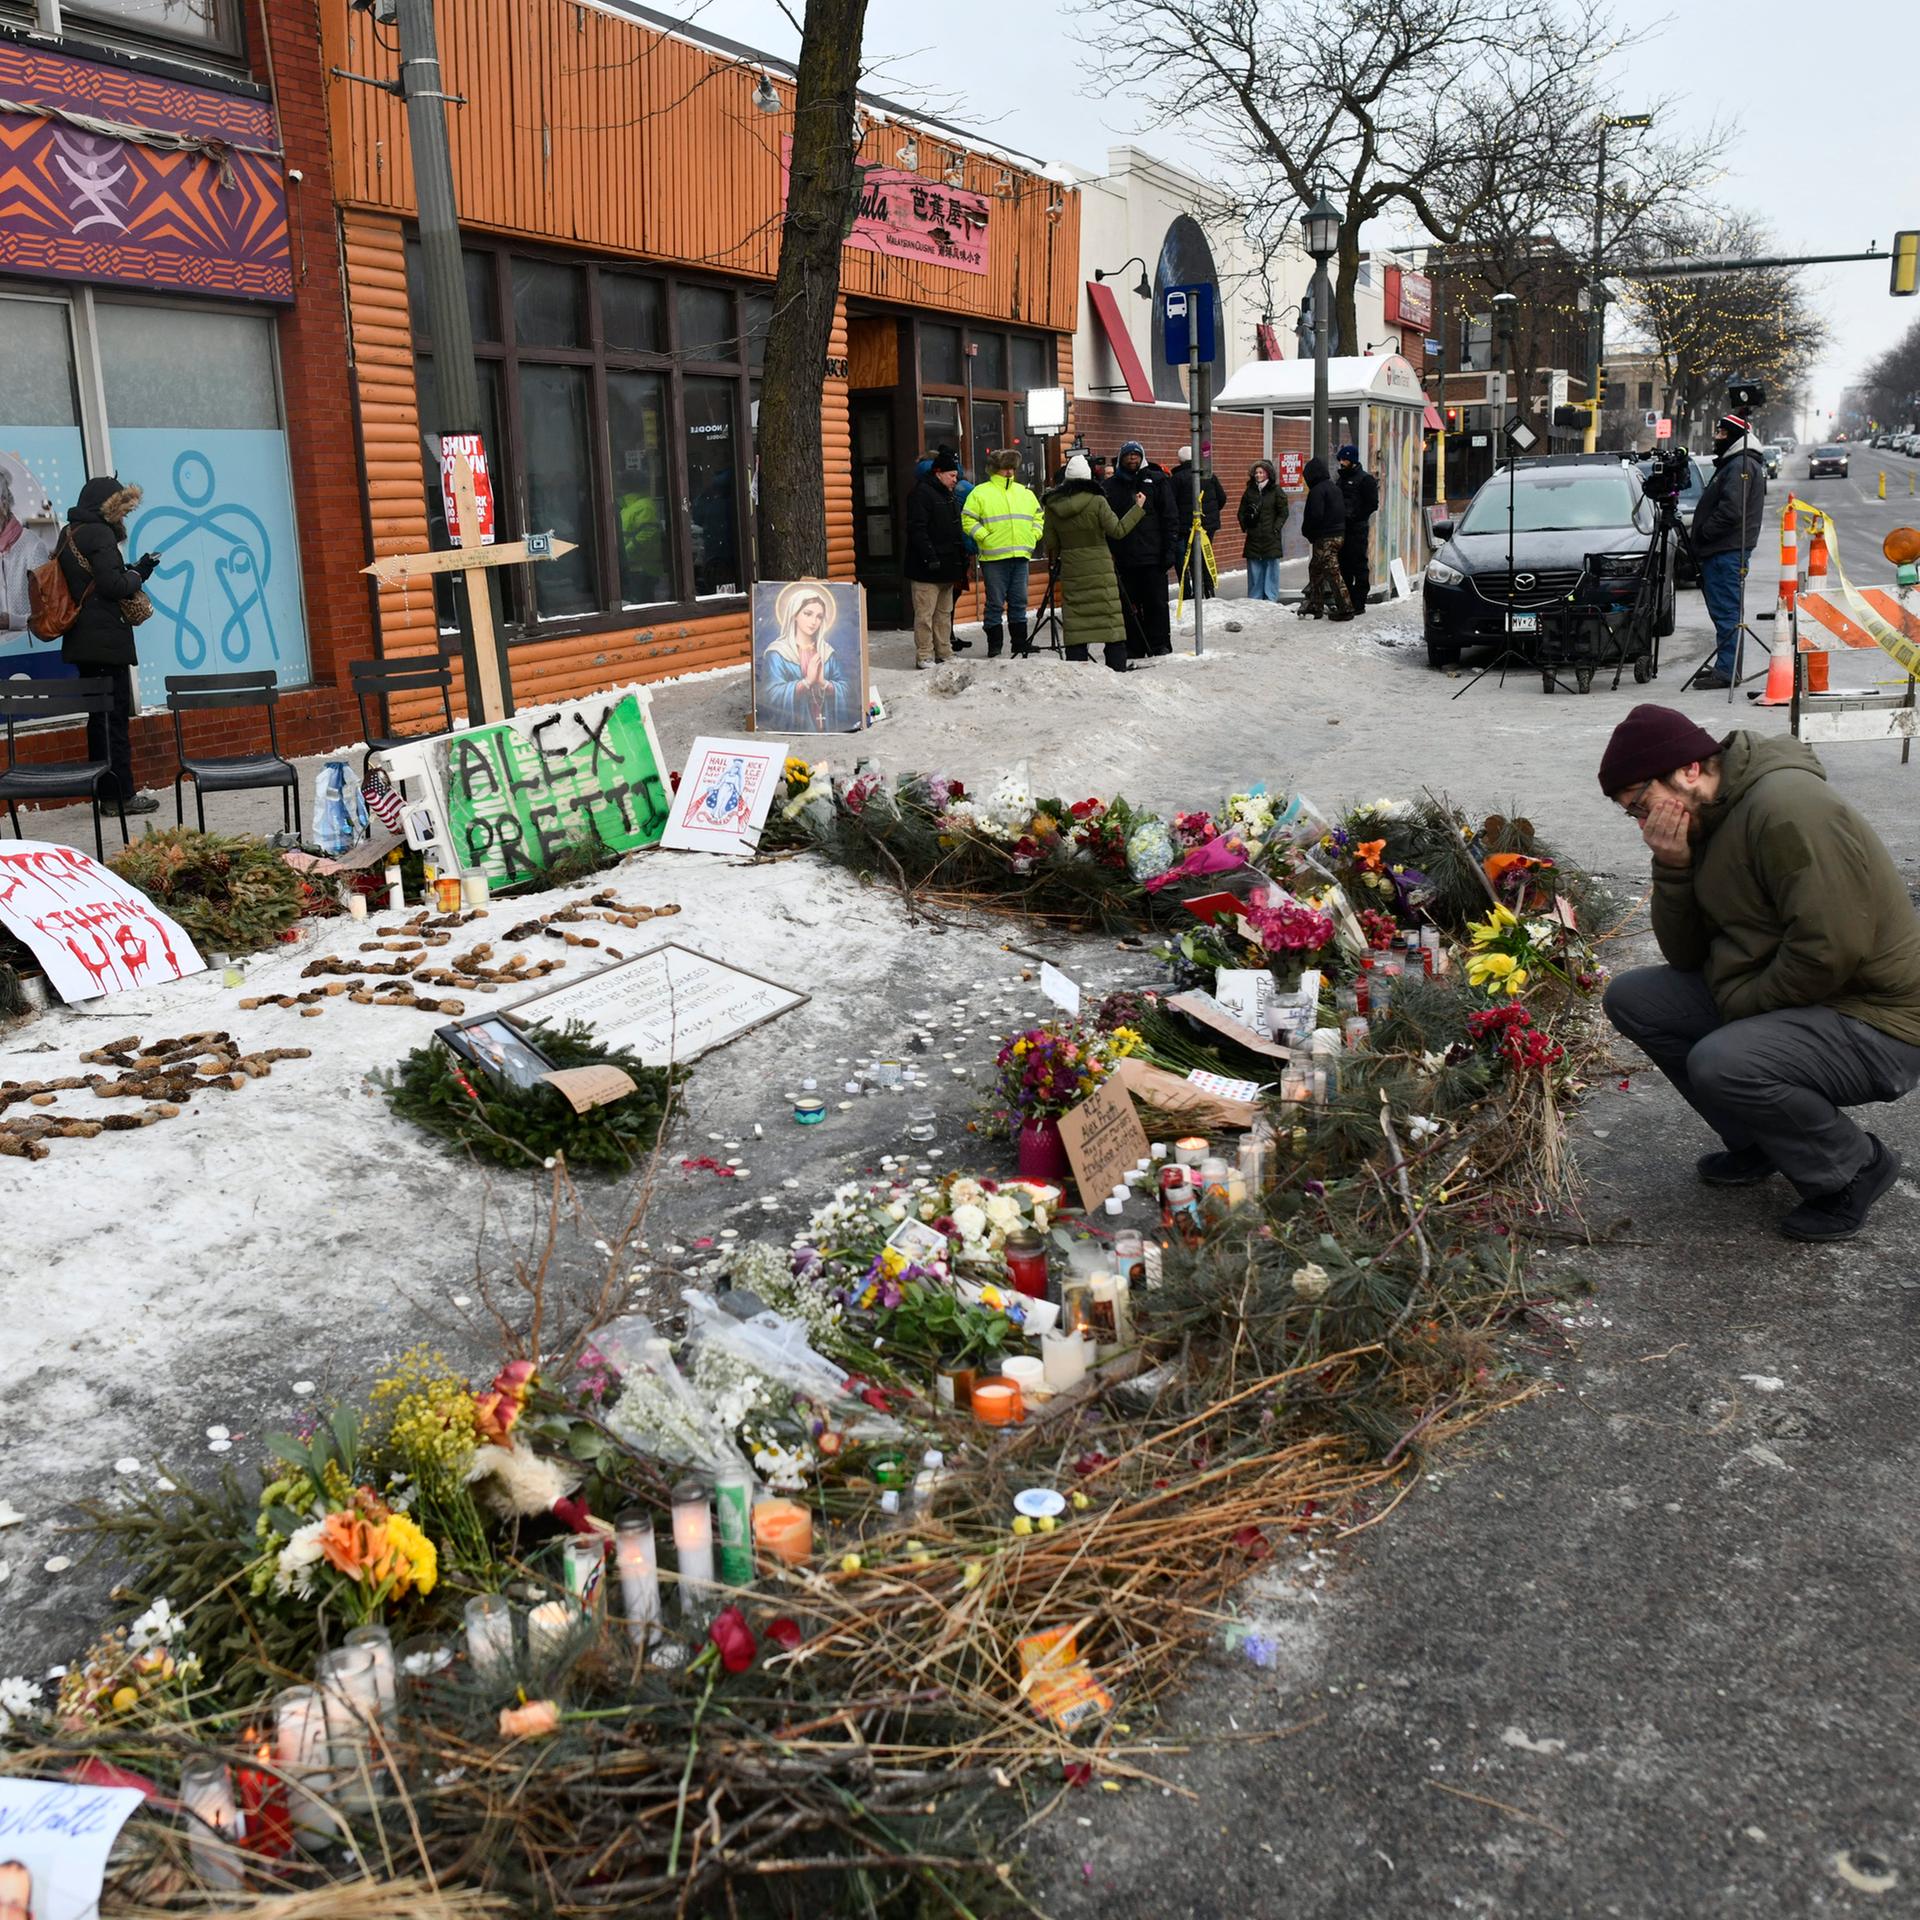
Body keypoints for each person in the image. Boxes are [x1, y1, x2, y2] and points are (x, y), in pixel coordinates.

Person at [1599, 703, 1920, 1241]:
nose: (1644, 821)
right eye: (1633, 813)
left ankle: (1851, 1167)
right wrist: (1672, 868)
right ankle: (1762, 1140)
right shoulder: (1709, 814)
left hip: (1882, 1016)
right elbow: (1684, 957)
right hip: (1806, 993)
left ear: (1689, 770)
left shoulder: (1787, 807)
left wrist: (1739, 1007)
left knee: (1724, 1061)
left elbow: (1830, 949)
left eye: (1641, 804)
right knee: (1636, 998)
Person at [58, 475, 160, 813]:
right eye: (121, 510)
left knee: (97, 720)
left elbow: (91, 580)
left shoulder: (69, 532)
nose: (123, 517)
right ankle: (120, 796)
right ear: (108, 508)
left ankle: (105, 793)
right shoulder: (99, 534)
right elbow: (113, 586)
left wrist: (126, 571)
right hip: (105, 641)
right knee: (113, 720)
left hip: (84, 640)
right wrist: (141, 572)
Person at [1687, 411, 1769, 690]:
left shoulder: (1740, 465)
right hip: (1725, 549)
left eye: (1721, 434)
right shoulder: (1737, 463)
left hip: (1726, 550)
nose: (1716, 437)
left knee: (1727, 612)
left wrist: (1705, 532)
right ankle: (1726, 665)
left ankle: (1728, 670)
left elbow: (1732, 510)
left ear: (1734, 437)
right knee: (1725, 611)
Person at [1043, 453, 1145, 673]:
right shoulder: (1098, 501)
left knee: (1077, 626)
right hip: (1101, 569)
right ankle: (1116, 669)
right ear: (1089, 478)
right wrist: (1137, 508)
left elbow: (1050, 543)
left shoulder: (1052, 505)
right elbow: (1117, 531)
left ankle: (1079, 673)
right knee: (1110, 624)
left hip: (1072, 569)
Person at [961, 448, 1044, 658]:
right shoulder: (981, 492)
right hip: (994, 557)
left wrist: (1034, 535)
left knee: (1019, 601)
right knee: (995, 603)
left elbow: (1038, 516)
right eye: (1004, 468)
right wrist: (984, 536)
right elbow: (967, 519)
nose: (1008, 472)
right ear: (994, 470)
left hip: (1020, 555)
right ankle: (995, 646)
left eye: (1011, 468)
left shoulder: (1024, 493)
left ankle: (1019, 643)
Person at [1103, 440, 1177, 658]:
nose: (1132, 458)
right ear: (1120, 459)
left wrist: (1169, 551)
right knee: (1128, 606)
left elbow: (1170, 517)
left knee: (1156, 604)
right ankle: (1134, 646)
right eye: (1127, 455)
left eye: (1136, 454)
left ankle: (1160, 644)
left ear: (1142, 457)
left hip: (1154, 557)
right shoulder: (1110, 487)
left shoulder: (1156, 480)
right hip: (1125, 558)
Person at [758, 582, 855, 729]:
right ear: (794, 614)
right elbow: (770, 695)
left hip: (828, 725)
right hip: (793, 727)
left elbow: (848, 688)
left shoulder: (827, 653)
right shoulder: (778, 653)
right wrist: (806, 682)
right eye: (808, 614)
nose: (814, 621)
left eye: (819, 616)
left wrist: (824, 683)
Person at [904, 449, 970, 668]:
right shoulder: (921, 494)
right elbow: (918, 530)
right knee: (925, 614)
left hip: (948, 565)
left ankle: (944, 651)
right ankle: (924, 654)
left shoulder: (947, 494)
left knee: (944, 613)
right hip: (927, 567)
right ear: (939, 473)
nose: (956, 480)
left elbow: (955, 530)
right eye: (952, 475)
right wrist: (929, 557)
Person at [1169, 445, 1227, 598]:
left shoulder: (1177, 479)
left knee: (1192, 560)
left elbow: (1171, 504)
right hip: (1208, 525)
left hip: (1187, 527)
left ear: (1180, 460)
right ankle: (1209, 591)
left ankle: (1196, 594)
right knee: (1206, 557)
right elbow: (1222, 498)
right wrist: (1209, 515)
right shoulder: (1208, 475)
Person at [1297, 456, 1351, 620]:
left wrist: (1308, 532)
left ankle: (1345, 608)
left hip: (1325, 537)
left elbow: (1315, 516)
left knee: (1332, 572)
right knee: (1316, 569)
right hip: (1338, 534)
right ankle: (1315, 605)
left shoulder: (1317, 491)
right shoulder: (1333, 488)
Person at [1335, 443, 1378, 615]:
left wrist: (1356, 516)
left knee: (1358, 565)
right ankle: (1347, 601)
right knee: (1343, 565)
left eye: (1345, 459)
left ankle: (1358, 602)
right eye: (1341, 459)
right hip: (1342, 529)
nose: (1342, 463)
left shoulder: (1365, 479)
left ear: (1352, 460)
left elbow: (1372, 504)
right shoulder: (1341, 479)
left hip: (1357, 529)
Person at [1238, 460, 1289, 601]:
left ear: (1268, 474)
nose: (1258, 475)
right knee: (1254, 567)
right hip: (1254, 535)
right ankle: (1255, 598)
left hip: (1270, 535)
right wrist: (1246, 526)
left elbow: (1283, 512)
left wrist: (1276, 528)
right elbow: (1241, 511)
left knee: (1271, 566)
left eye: (1261, 472)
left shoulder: (1276, 491)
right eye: (1256, 472)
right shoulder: (1250, 491)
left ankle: (1270, 597)